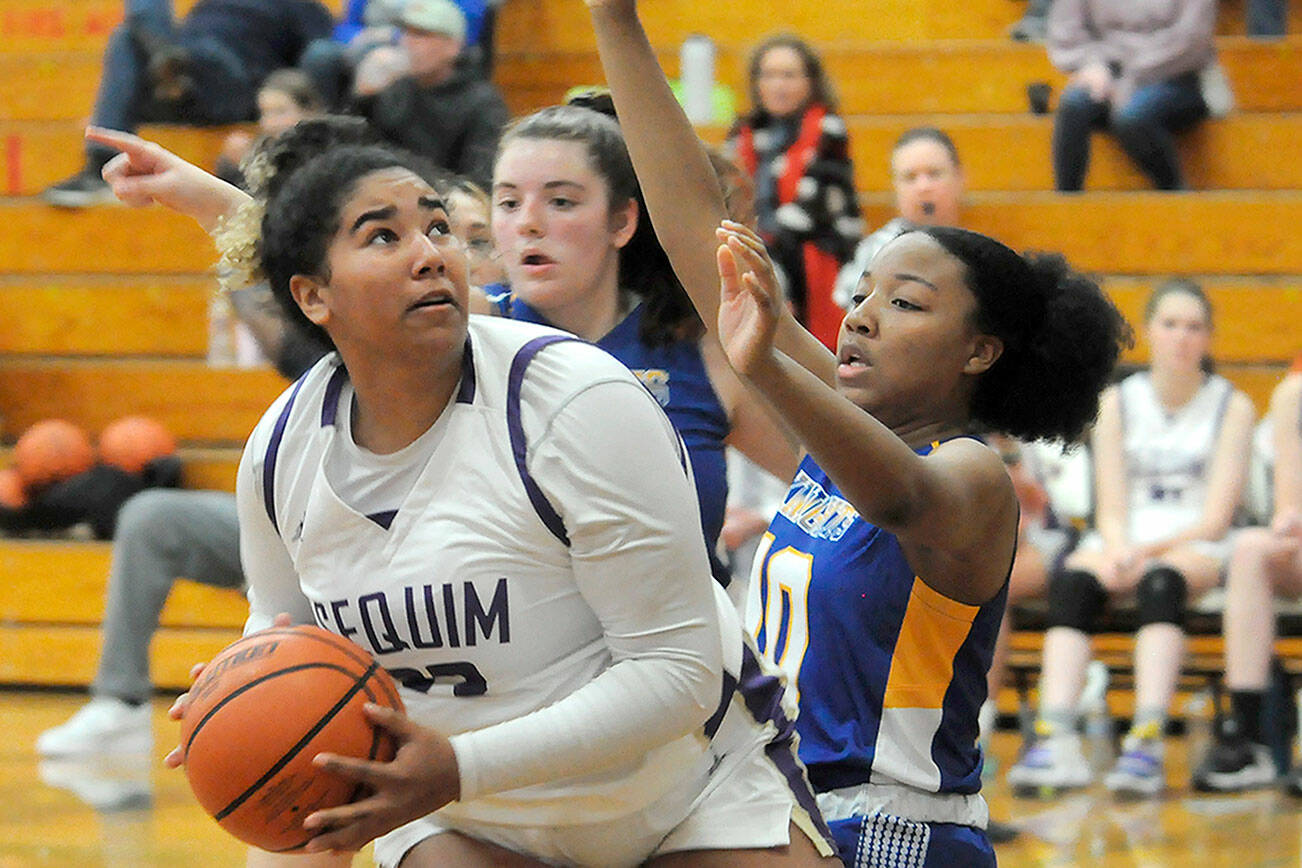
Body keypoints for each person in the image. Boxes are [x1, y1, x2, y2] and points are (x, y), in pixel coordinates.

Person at [95, 128, 839, 866]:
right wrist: (249, 701)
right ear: (312, 296)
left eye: (440, 226)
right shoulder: (280, 452)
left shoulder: (578, 400)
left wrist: (456, 766)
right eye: (385, 236)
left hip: (687, 791)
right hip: (467, 817)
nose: (430, 252)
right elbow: (287, 649)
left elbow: (678, 673)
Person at [584, 1, 1129, 863]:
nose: (863, 317)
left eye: (905, 304)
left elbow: (898, 495)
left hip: (893, 832)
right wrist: (613, 18)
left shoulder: (972, 475)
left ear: (979, 351)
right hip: (773, 808)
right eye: (863, 294)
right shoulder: (841, 421)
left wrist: (763, 366)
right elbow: (698, 233)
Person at [1007, 278, 1255, 798]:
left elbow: (1215, 519)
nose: (1181, 337)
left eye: (1193, 327)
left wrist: (1140, 554)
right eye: (1170, 324)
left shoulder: (1232, 407)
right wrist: (1119, 545)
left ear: (1208, 338)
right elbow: (1112, 503)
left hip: (1195, 544)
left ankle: (1147, 740)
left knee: (1160, 585)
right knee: (1074, 583)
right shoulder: (1117, 402)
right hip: (1125, 538)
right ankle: (1058, 738)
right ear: (1150, 333)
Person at [41, 0, 334, 207]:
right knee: (125, 37)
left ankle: (168, 60)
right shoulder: (207, 6)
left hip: (235, 89)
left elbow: (317, 65)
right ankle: (100, 164)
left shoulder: (300, 6)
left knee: (203, 53)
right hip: (184, 91)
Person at [1194, 370, 1301, 792]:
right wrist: (1288, 520)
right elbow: (1289, 502)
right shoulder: (1293, 395)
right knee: (1250, 549)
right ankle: (1248, 739)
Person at [725, 34, 861, 351]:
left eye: (789, 75)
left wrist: (756, 249)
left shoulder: (828, 127)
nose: (778, 85)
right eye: (769, 75)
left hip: (821, 254)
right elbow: (730, 195)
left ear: (810, 82)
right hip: (765, 250)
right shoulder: (744, 130)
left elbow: (809, 211)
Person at [1047, 0, 1218, 191]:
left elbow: (1192, 38)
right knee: (1073, 105)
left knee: (1132, 117)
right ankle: (1066, 205)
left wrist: (1129, 77)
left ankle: (1176, 194)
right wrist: (1092, 64)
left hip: (1172, 73)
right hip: (1107, 69)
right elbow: (1066, 30)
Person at [352, 0, 508, 190]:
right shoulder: (394, 90)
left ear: (453, 46)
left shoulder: (483, 103)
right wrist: (363, 100)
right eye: (406, 33)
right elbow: (358, 158)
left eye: (421, 35)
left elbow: (480, 180)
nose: (408, 43)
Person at [833, 127, 965, 311]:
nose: (923, 187)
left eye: (934, 174)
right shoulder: (877, 252)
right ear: (896, 186)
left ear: (959, 178)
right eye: (910, 177)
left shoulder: (974, 252)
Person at [215, 68, 325, 189]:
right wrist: (239, 168)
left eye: (280, 112)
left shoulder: (331, 152)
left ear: (310, 111)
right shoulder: (252, 153)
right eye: (264, 113)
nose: (271, 123)